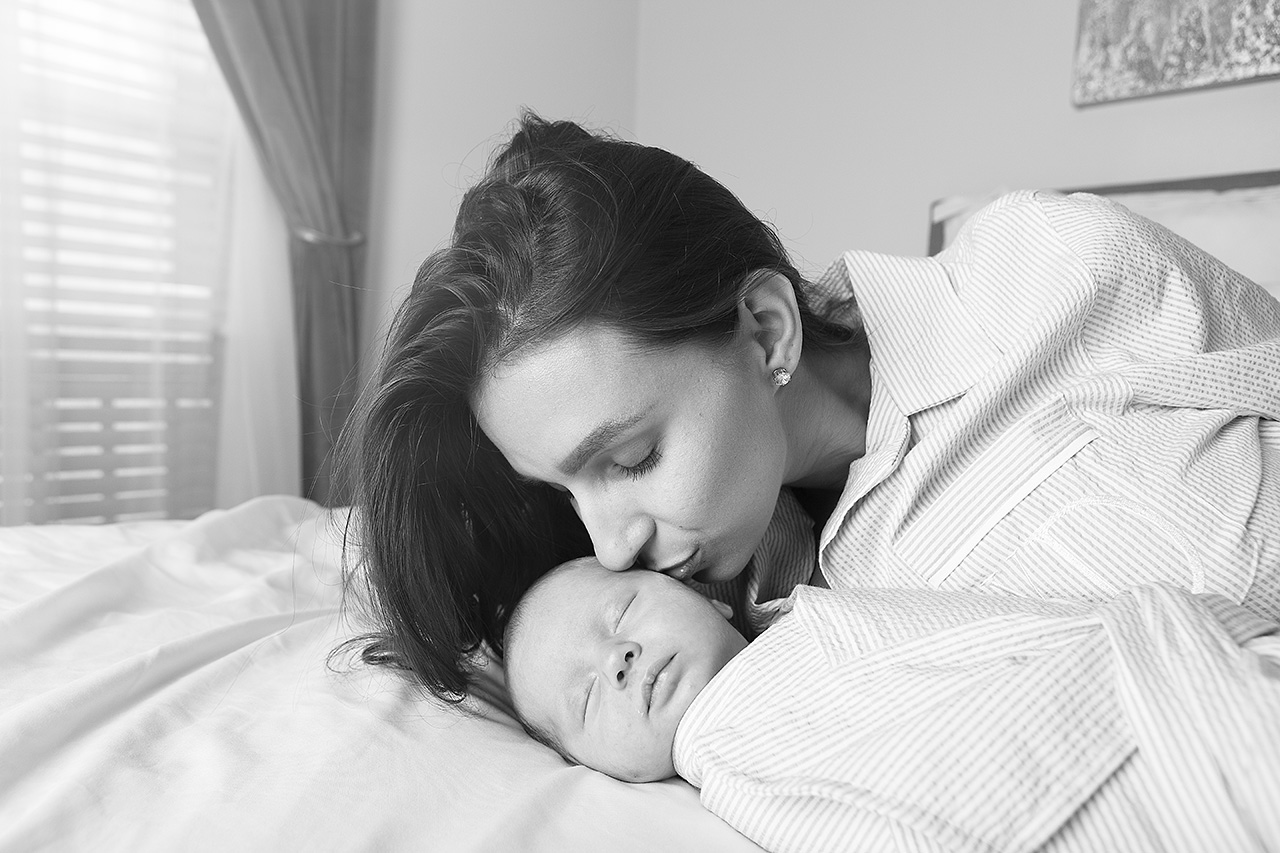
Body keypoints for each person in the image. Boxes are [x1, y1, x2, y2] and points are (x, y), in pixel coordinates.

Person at [341, 110, 1280, 703]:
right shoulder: (681, 594)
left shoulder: (1053, 275)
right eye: (565, 490)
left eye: (628, 460)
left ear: (763, 329)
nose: (610, 543)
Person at [503, 557, 1280, 853]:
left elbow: (1005, 631)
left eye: (624, 609)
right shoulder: (717, 793)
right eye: (586, 693)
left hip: (1161, 706)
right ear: (592, 765)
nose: (619, 657)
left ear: (689, 586)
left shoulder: (817, 614)